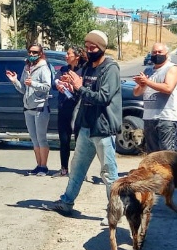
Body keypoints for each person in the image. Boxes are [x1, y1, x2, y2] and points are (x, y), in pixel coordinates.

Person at [53, 30, 122, 226]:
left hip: (103, 128)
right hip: (86, 127)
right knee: (77, 168)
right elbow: (80, 90)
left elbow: (103, 97)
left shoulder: (110, 68)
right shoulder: (88, 67)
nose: (90, 50)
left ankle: (113, 211)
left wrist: (80, 87)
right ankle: (67, 202)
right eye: (87, 46)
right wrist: (71, 85)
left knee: (109, 173)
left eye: (93, 47)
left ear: (102, 48)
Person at [7, 44, 52, 176]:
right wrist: (15, 81)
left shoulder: (44, 68)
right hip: (28, 108)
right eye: (30, 52)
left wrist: (33, 83)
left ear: (40, 53)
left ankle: (44, 167)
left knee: (41, 138)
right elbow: (23, 89)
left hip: (40, 108)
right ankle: (38, 165)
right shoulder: (27, 68)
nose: (32, 55)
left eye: (35, 52)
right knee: (34, 139)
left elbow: (47, 87)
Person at [133, 43, 177, 153]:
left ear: (167, 54)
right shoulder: (148, 71)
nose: (156, 54)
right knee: (153, 155)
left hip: (166, 118)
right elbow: (136, 93)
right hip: (149, 118)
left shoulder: (172, 68)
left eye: (159, 52)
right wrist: (142, 85)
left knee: (167, 155)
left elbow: (168, 88)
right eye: (154, 52)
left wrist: (147, 81)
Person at [52, 47, 87, 177]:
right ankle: (64, 169)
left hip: (78, 109)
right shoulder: (64, 69)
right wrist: (59, 84)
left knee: (80, 142)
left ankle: (80, 172)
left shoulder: (84, 70)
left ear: (77, 56)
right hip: (64, 108)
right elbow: (54, 81)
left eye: (68, 53)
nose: (66, 56)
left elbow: (84, 88)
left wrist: (73, 85)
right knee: (64, 140)